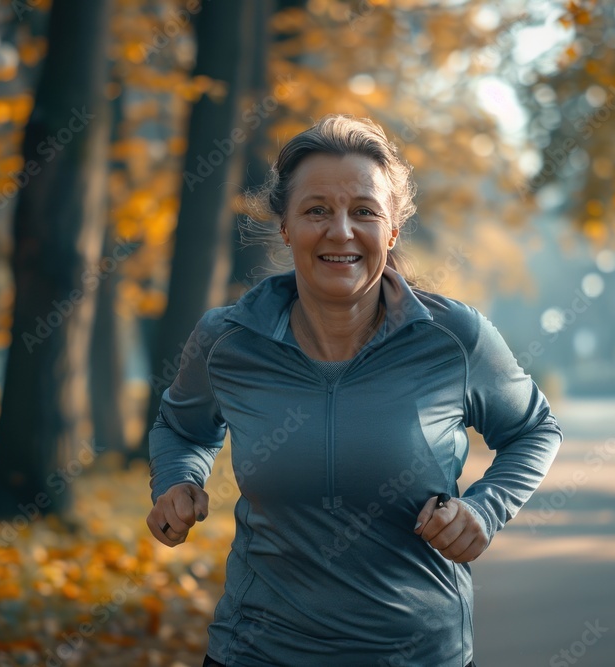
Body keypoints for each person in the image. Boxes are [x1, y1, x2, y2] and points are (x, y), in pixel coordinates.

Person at [147, 114, 563, 667]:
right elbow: (181, 427)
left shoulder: (452, 339)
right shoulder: (229, 341)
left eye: (363, 211)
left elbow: (534, 429)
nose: (340, 230)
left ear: (391, 231)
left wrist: (485, 510)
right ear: (286, 228)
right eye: (317, 210)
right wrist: (178, 479)